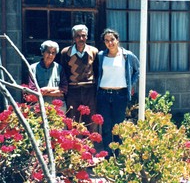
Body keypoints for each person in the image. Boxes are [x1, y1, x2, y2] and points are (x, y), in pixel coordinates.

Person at [97, 28, 140, 158]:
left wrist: (130, 85)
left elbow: (138, 71)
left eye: (112, 40)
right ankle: (108, 155)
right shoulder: (100, 56)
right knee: (106, 126)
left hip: (119, 95)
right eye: (107, 40)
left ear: (117, 40)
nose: (110, 43)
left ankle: (118, 154)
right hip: (104, 95)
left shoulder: (127, 56)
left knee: (118, 126)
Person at [60, 24, 98, 131]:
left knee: (90, 120)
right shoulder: (66, 52)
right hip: (73, 90)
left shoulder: (94, 52)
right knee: (73, 120)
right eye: (78, 36)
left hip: (89, 90)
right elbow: (63, 72)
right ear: (73, 37)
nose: (81, 38)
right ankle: (73, 145)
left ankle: (89, 145)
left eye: (83, 35)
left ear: (87, 37)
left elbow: (97, 71)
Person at [29, 40, 68, 110]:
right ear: (42, 52)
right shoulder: (33, 68)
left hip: (57, 107)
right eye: (48, 52)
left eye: (53, 53)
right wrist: (56, 91)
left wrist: (46, 89)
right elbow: (32, 90)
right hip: (39, 107)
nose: (50, 55)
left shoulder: (59, 68)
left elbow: (64, 89)